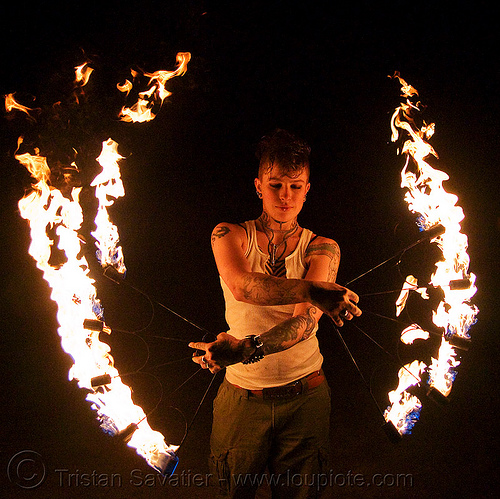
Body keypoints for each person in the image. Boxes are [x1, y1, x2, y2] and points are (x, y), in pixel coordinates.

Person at [189, 129, 361, 498]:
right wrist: (314, 291)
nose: (285, 196)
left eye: (295, 186)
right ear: (258, 186)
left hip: (305, 400)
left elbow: (303, 323)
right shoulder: (228, 234)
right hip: (242, 399)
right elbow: (242, 286)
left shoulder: (323, 247)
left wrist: (247, 349)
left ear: (307, 189)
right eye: (276, 184)